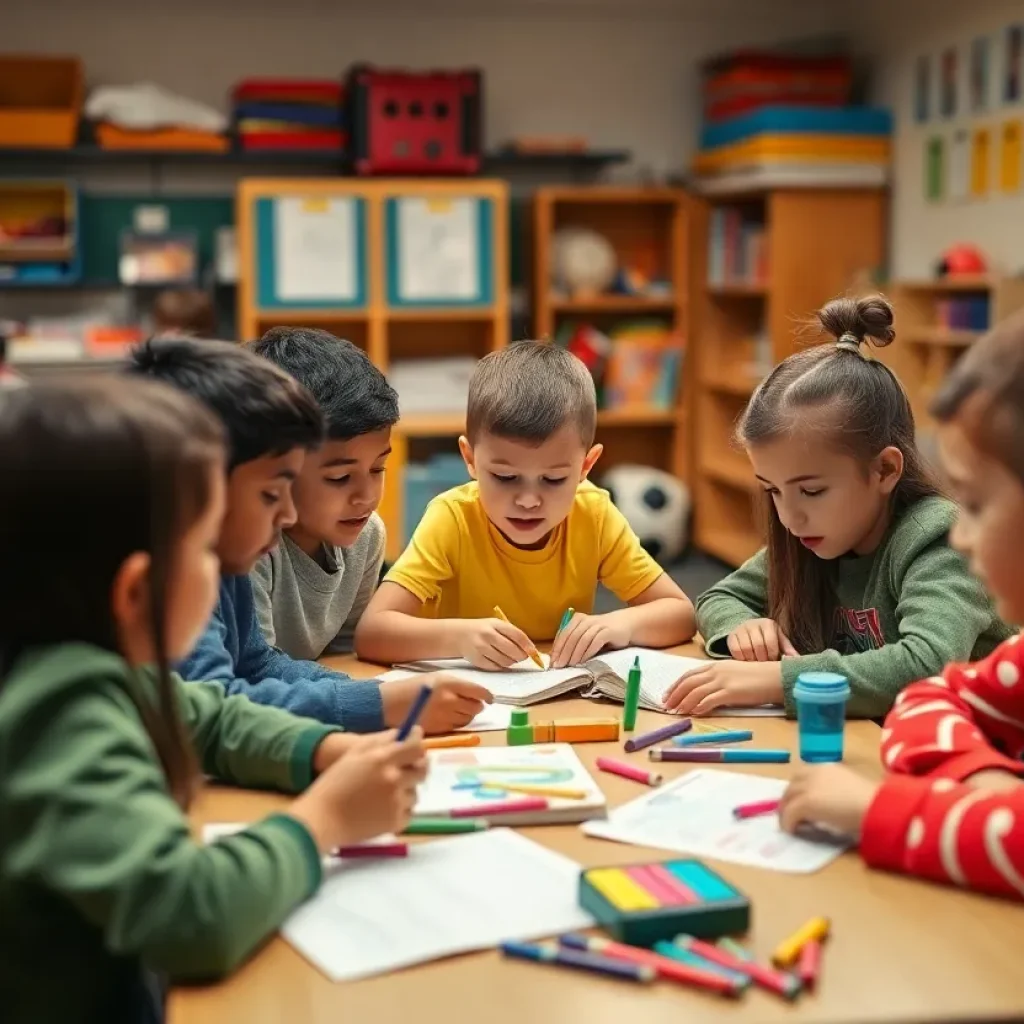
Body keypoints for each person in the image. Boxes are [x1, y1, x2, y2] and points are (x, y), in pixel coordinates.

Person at [0, 378, 427, 1023]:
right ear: (137, 590)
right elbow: (192, 917)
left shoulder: (91, 667)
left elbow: (212, 717)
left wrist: (324, 750)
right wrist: (325, 821)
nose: (234, 562)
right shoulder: (62, 712)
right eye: (206, 549)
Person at [665, 296, 1011, 718]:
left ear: (884, 469)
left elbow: (925, 666)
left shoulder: (938, 540)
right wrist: (742, 627)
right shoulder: (820, 534)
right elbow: (719, 596)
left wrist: (775, 680)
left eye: (811, 492)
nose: (789, 517)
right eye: (772, 491)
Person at [780, 308, 1024, 901]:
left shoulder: (926, 535)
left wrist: (880, 809)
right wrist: (985, 786)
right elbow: (928, 696)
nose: (960, 534)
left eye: (976, 505)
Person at [127, 337, 490, 733]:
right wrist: (371, 705)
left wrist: (367, 695)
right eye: (270, 492)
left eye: (378, 469)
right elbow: (216, 708)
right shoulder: (193, 565)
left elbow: (255, 663)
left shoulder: (224, 554)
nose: (284, 513)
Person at [355, 340, 695, 669]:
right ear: (470, 459)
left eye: (553, 480)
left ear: (586, 467)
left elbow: (680, 614)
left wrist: (621, 624)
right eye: (505, 477)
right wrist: (458, 638)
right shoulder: (452, 518)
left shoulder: (594, 513)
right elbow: (373, 633)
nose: (529, 501)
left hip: (555, 695)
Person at [249, 327, 396, 659]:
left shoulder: (366, 536)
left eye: (377, 469)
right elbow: (256, 670)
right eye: (340, 477)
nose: (366, 496)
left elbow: (345, 654)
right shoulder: (250, 544)